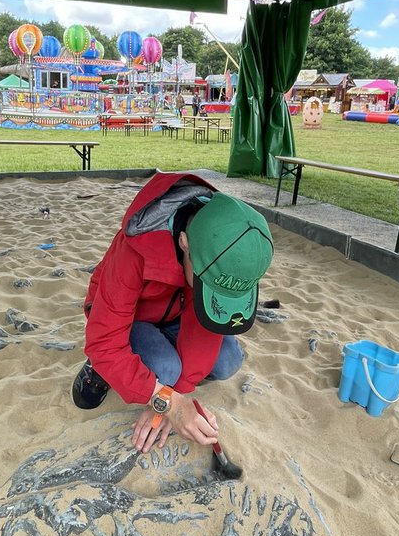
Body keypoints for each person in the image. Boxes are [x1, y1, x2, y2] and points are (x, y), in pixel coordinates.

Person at [71, 173, 274, 455]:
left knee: (228, 361)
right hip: (130, 320)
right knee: (166, 369)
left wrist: (174, 400)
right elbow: (105, 339)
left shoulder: (224, 240)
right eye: (208, 284)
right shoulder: (134, 249)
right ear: (184, 242)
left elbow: (204, 327)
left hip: (174, 313)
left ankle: (152, 373)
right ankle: (101, 369)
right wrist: (168, 401)